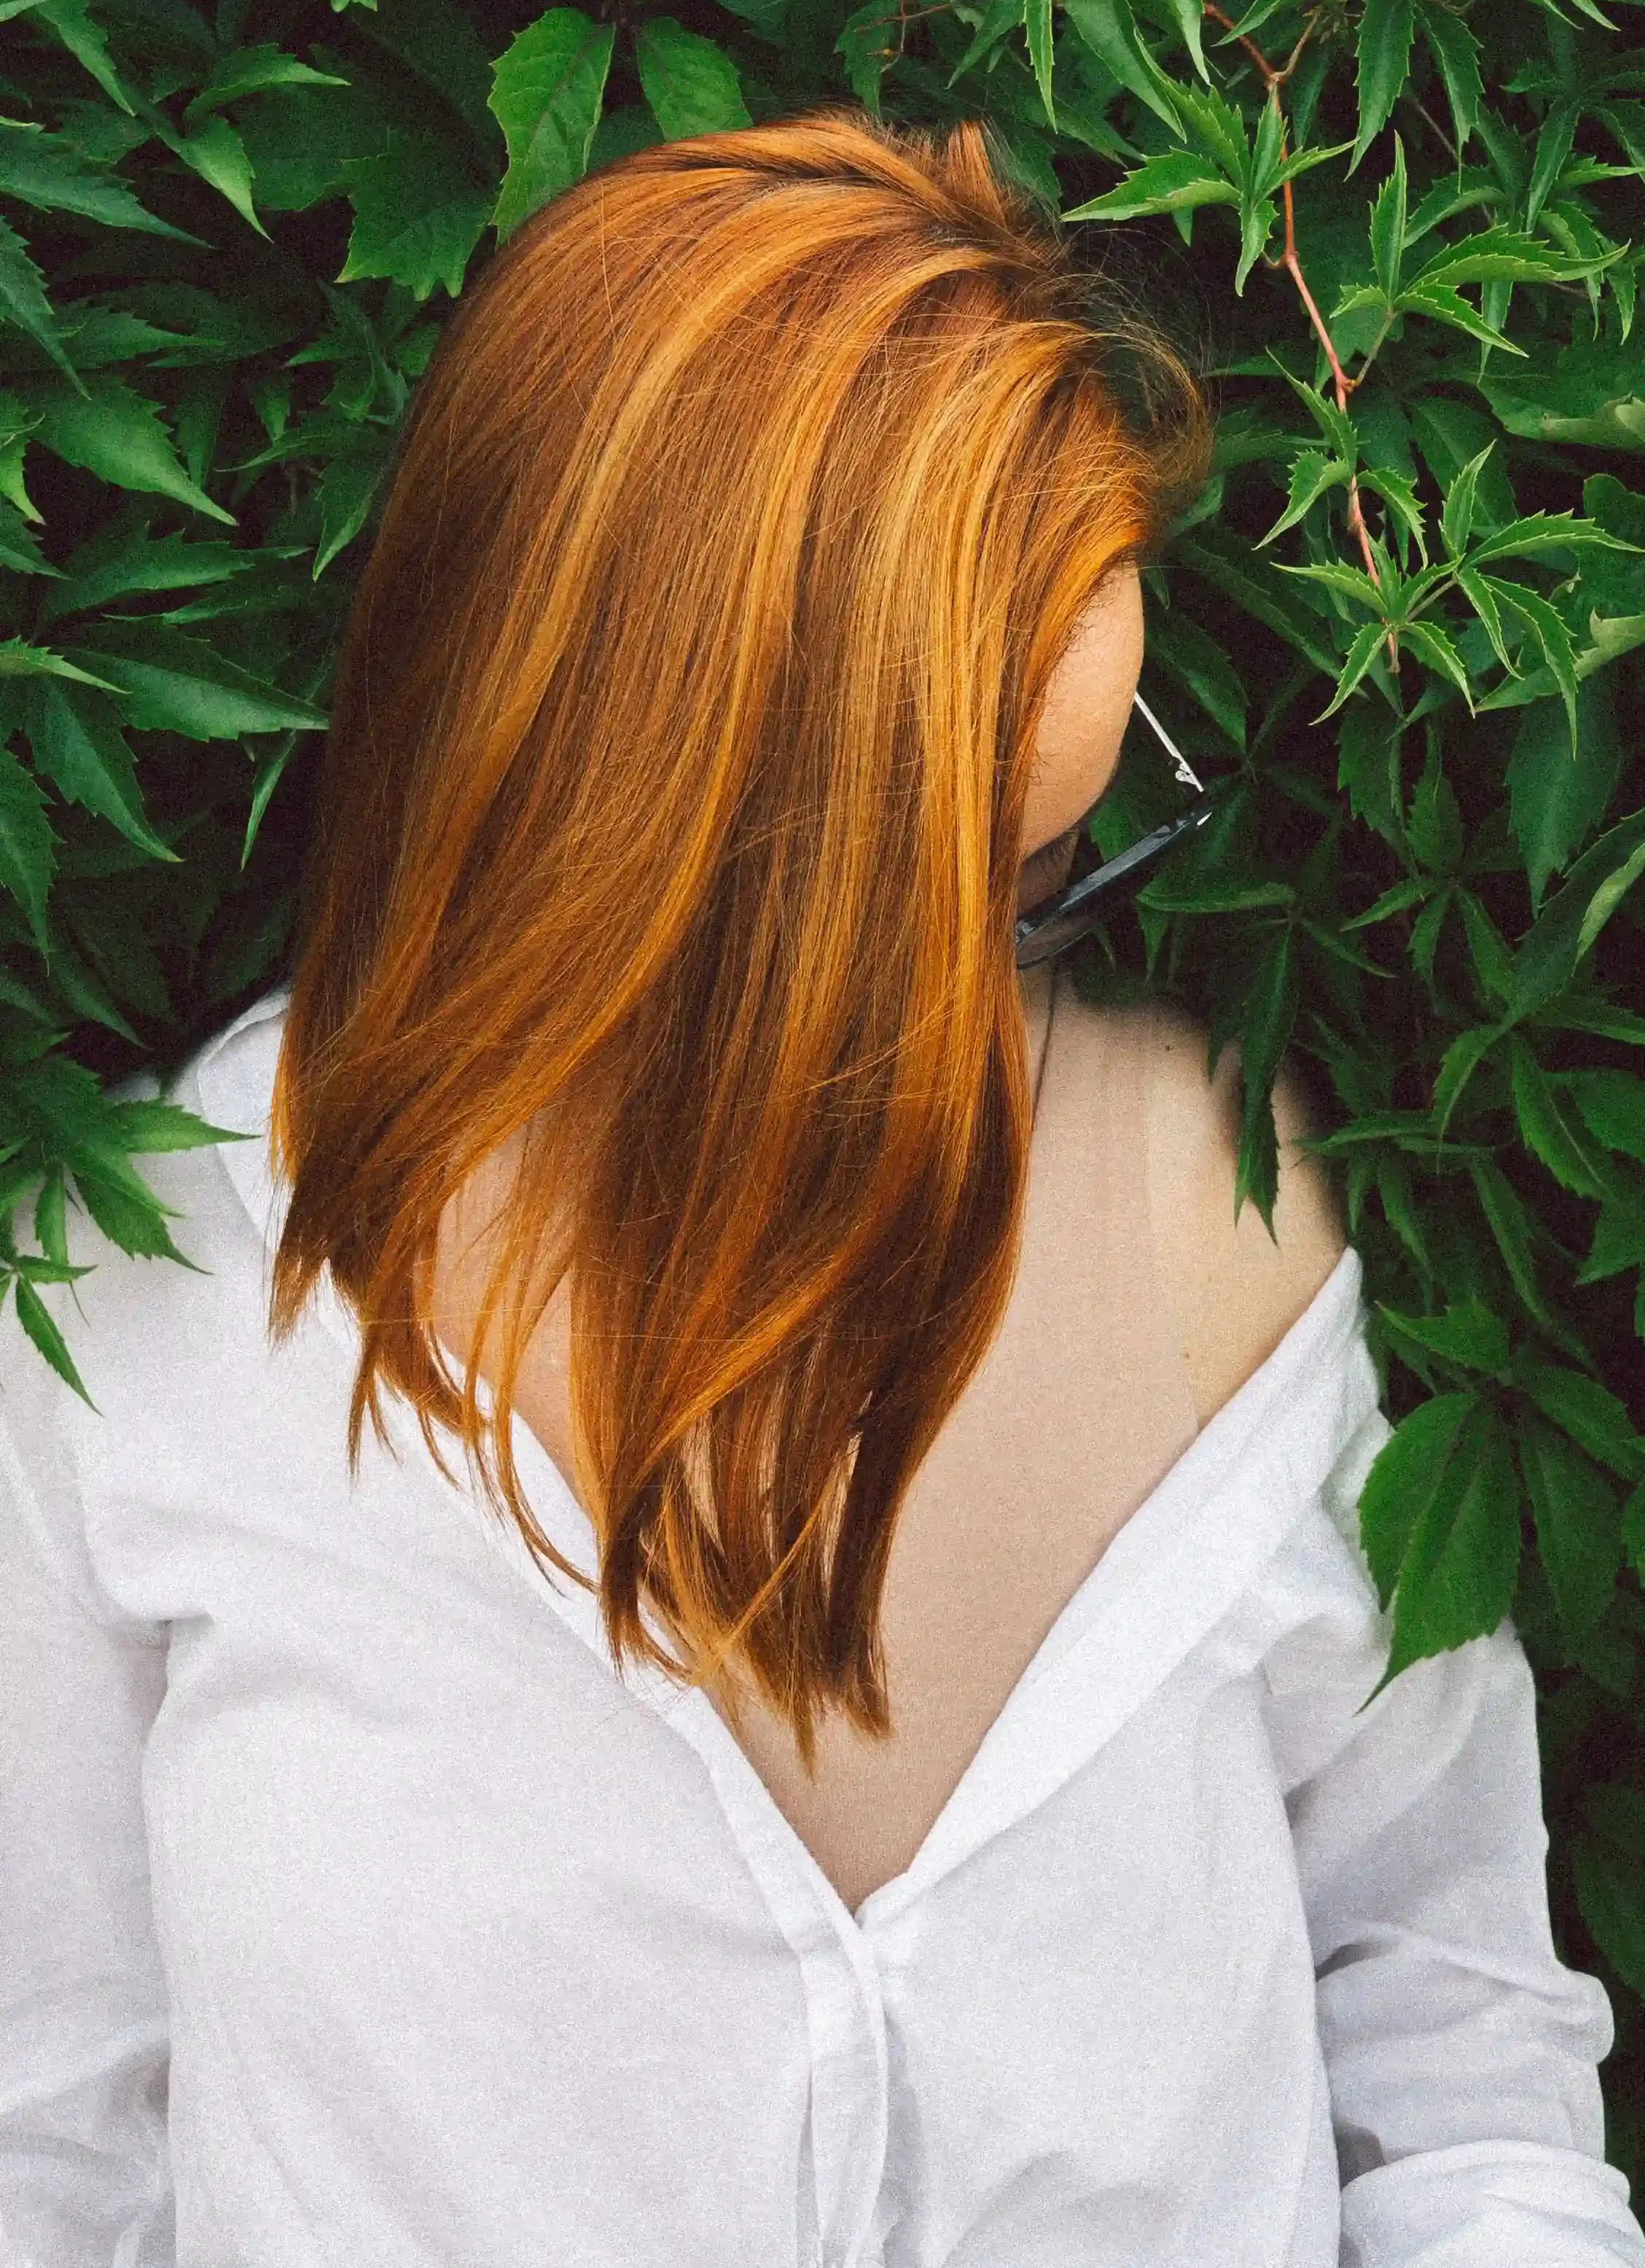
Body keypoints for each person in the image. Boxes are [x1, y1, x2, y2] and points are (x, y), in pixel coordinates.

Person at [0, 110, 1638, 2268]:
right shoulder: (153, 1311)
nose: (993, 998)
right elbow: (52, 2150)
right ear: (622, 816)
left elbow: (1459, 2057)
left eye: (1057, 857)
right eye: (930, 889)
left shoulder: (1230, 1217)